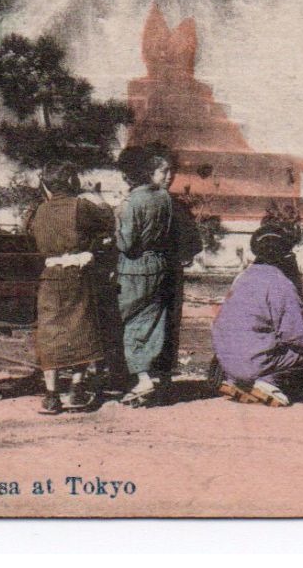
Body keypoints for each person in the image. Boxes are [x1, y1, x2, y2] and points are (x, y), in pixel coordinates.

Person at [25, 162, 117, 414]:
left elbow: (30, 235)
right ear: (73, 183)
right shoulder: (81, 207)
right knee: (81, 327)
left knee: (50, 331)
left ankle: (51, 394)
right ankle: (76, 389)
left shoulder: (38, 211)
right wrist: (97, 196)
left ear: (46, 185)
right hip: (77, 276)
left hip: (50, 278)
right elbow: (108, 221)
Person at [211, 222, 303, 407]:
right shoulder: (281, 284)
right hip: (255, 361)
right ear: (286, 254)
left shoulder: (242, 277)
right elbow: (296, 334)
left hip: (226, 359)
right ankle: (269, 382)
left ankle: (238, 382)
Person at [116, 144, 190, 407]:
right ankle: (151, 376)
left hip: (136, 268)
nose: (168, 176)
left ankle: (138, 376)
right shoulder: (168, 201)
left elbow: (126, 242)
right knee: (152, 323)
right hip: (161, 268)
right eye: (164, 171)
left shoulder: (133, 201)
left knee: (128, 320)